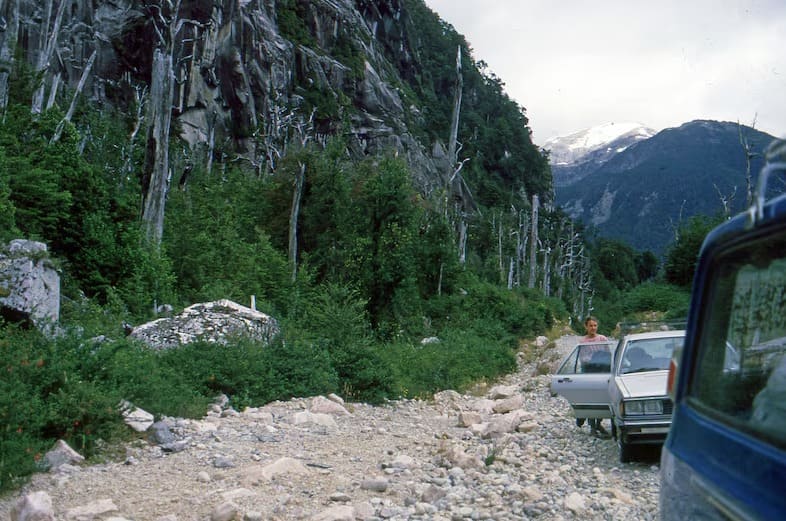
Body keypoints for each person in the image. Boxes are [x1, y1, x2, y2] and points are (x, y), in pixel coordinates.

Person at [577, 316, 612, 438]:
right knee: (590, 400)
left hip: (602, 371)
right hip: (589, 372)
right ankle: (592, 426)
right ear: (586, 326)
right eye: (590, 325)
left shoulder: (602, 338)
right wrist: (593, 360)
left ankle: (598, 423)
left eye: (595, 325)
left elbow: (608, 354)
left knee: (603, 399)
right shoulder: (582, 341)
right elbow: (582, 358)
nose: (593, 328)